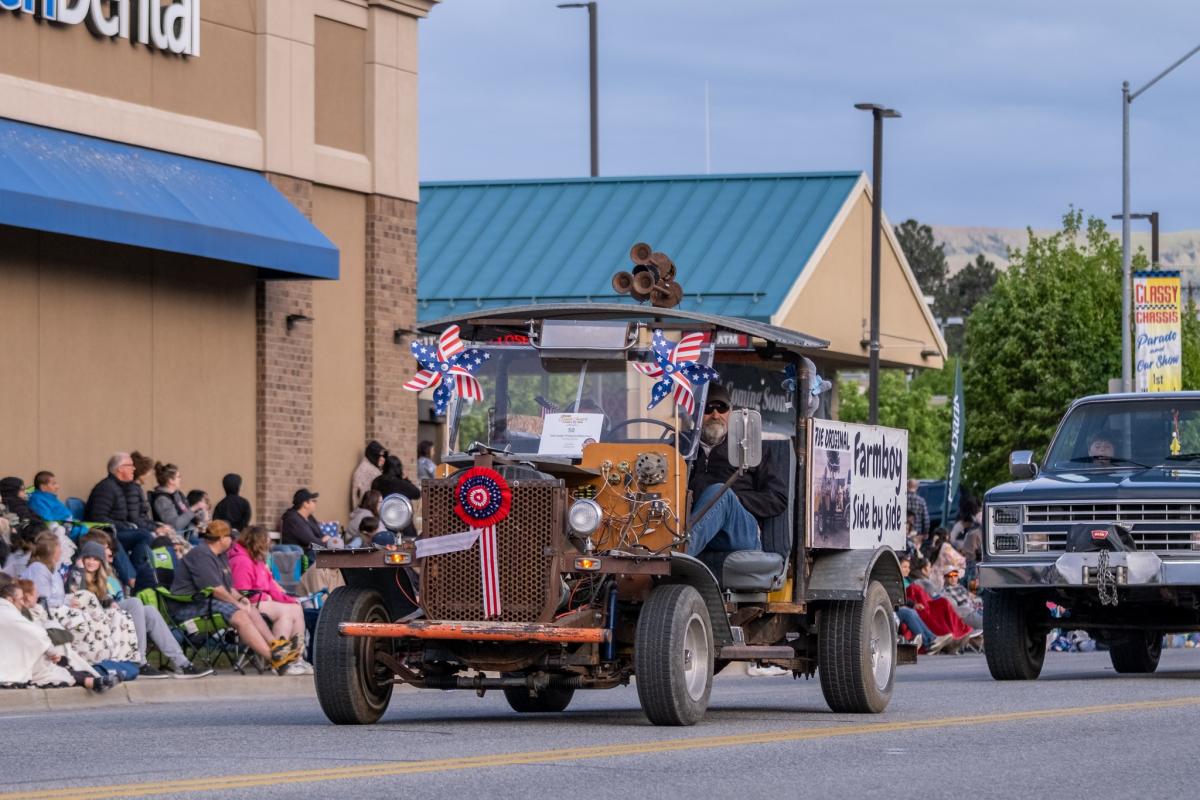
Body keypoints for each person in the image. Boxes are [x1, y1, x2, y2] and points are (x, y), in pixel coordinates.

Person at [66, 540, 210, 679]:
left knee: (150, 611)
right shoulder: (76, 574)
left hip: (108, 616)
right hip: (92, 620)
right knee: (134, 603)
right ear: (82, 559)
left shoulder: (101, 577)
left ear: (100, 562)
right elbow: (80, 596)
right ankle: (139, 661)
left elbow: (103, 598)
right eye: (88, 558)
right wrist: (80, 569)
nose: (91, 562)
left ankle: (182, 664)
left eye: (95, 559)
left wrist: (111, 602)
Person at [170, 520, 298, 672]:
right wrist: (236, 604)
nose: (233, 540)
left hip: (207, 601)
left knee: (250, 608)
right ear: (222, 538)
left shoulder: (221, 555)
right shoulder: (201, 555)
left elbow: (228, 588)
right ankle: (274, 659)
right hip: (188, 606)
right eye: (230, 536)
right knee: (239, 615)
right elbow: (216, 589)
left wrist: (241, 599)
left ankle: (276, 646)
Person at [685, 384, 787, 557]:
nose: (715, 415)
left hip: (740, 532)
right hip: (703, 531)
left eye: (721, 408)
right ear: (696, 413)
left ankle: (679, 553)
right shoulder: (682, 448)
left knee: (720, 492)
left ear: (730, 412)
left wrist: (737, 499)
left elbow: (778, 498)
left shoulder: (751, 447)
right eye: (708, 409)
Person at [227, 525, 312, 675]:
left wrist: (289, 599)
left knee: (296, 607)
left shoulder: (258, 561)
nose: (268, 545)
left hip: (263, 601)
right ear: (256, 542)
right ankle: (279, 659)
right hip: (249, 604)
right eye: (265, 541)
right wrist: (268, 597)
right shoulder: (241, 560)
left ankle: (296, 658)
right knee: (284, 613)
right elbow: (242, 592)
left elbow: (271, 586)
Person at [84, 453, 160, 592]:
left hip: (118, 530)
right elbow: (98, 517)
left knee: (145, 535)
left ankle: (138, 572)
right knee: (115, 540)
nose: (134, 469)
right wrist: (124, 526)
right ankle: (132, 580)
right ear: (120, 469)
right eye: (130, 466)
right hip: (104, 533)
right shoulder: (106, 488)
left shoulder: (121, 487)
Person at [896, 556, 954, 654]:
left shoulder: (907, 580)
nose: (908, 570)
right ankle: (929, 642)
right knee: (909, 613)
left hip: (906, 604)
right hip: (894, 607)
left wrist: (913, 604)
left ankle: (933, 640)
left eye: (908, 567)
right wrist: (912, 604)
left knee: (915, 611)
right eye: (904, 567)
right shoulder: (895, 581)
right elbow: (896, 597)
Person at [27, 471, 87, 541]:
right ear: (43, 487)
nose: (58, 487)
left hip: (71, 528)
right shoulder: (37, 500)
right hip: (62, 533)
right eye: (53, 484)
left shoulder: (50, 497)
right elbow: (48, 523)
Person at [149, 462, 202, 537]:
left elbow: (185, 512)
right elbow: (175, 525)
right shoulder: (162, 500)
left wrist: (198, 519)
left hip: (189, 532)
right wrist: (194, 508)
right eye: (178, 477)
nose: (180, 479)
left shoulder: (177, 494)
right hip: (175, 538)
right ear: (171, 480)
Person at [280, 489, 333, 556]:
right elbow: (310, 541)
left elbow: (320, 535)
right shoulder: (293, 519)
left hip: (314, 551)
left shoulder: (310, 518)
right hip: (300, 555)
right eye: (313, 501)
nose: (315, 503)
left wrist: (327, 541)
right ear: (305, 504)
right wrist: (323, 541)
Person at [351, 440, 387, 511]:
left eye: (383, 456)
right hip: (368, 510)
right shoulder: (372, 471)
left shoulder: (366, 466)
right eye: (379, 456)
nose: (383, 459)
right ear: (373, 455)